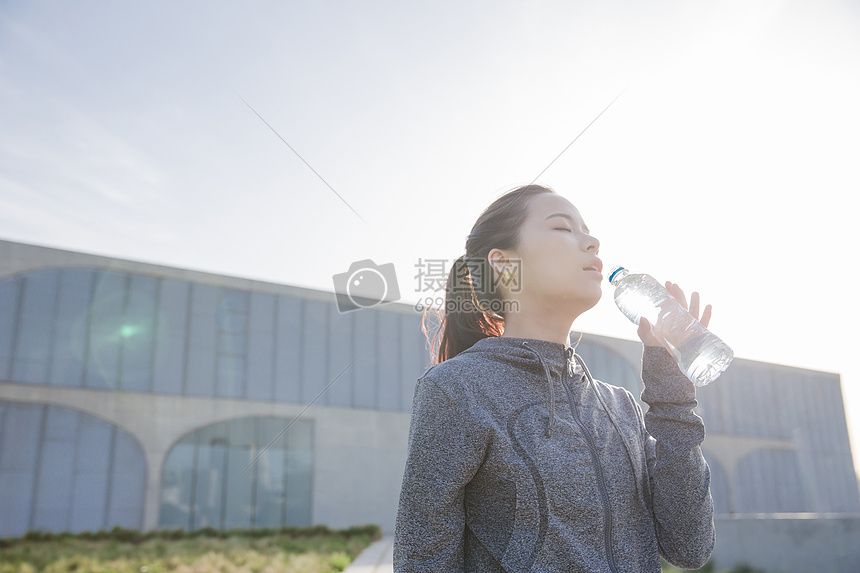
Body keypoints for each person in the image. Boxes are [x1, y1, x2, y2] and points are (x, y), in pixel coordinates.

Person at [393, 184, 715, 572]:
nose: (592, 241)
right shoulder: (457, 389)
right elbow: (423, 559)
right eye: (563, 228)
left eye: (588, 230)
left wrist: (673, 390)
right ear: (504, 264)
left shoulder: (619, 406)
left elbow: (689, 547)